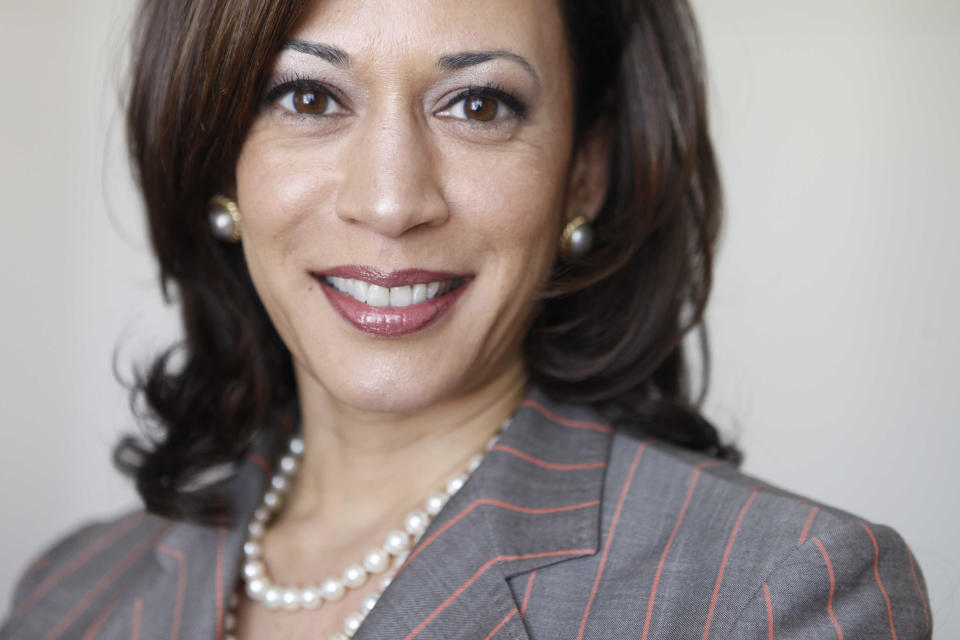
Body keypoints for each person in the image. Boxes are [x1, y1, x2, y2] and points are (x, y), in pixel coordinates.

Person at [0, 0, 932, 638]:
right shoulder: (69, 593)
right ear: (218, 165)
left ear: (585, 171)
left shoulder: (779, 593)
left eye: (479, 104)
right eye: (309, 97)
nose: (393, 200)